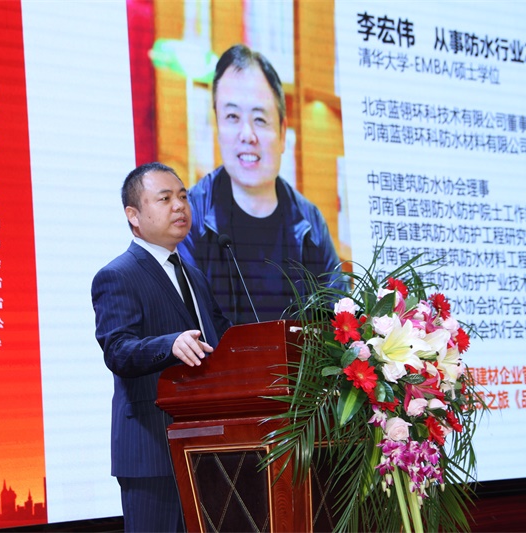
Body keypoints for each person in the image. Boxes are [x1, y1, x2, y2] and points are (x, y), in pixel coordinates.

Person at [91, 162, 231, 532]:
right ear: (133, 215)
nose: (180, 206)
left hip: (207, 448)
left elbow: (222, 339)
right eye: (165, 198)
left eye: (183, 197)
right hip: (152, 450)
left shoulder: (193, 275)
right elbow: (118, 350)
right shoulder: (117, 275)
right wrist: (170, 345)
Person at [179, 44, 341, 324]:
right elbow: (180, 324)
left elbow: (340, 322)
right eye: (232, 117)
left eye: (259, 119)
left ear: (282, 133)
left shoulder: (310, 223)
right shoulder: (189, 218)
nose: (247, 135)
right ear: (217, 127)